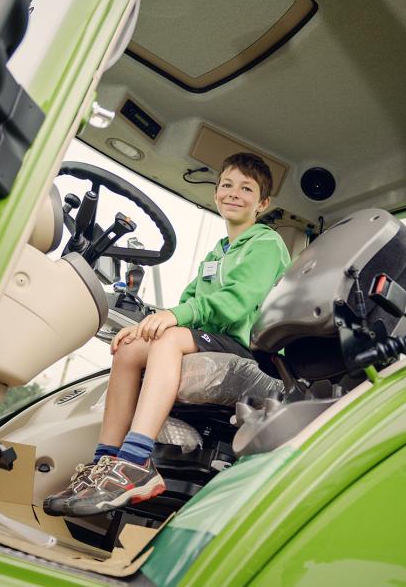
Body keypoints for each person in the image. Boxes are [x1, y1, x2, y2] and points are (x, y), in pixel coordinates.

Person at [44, 153, 291, 517]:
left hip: (247, 351)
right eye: (226, 185)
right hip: (212, 339)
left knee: (169, 339)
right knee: (129, 349)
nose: (233, 194)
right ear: (216, 193)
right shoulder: (219, 251)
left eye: (246, 188)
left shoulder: (265, 244)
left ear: (263, 203)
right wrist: (144, 328)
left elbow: (236, 305)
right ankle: (105, 464)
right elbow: (190, 300)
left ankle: (135, 461)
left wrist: (174, 320)